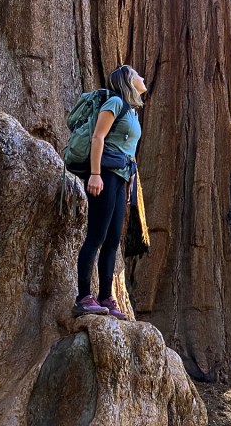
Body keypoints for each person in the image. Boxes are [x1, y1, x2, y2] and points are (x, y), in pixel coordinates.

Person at [73, 64, 147, 319]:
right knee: (96, 236)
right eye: (137, 75)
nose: (142, 77)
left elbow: (128, 151)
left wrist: (128, 186)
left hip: (120, 179)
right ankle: (83, 298)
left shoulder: (133, 112)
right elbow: (98, 138)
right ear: (128, 80)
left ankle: (106, 297)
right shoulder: (114, 103)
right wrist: (94, 174)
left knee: (113, 240)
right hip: (104, 175)